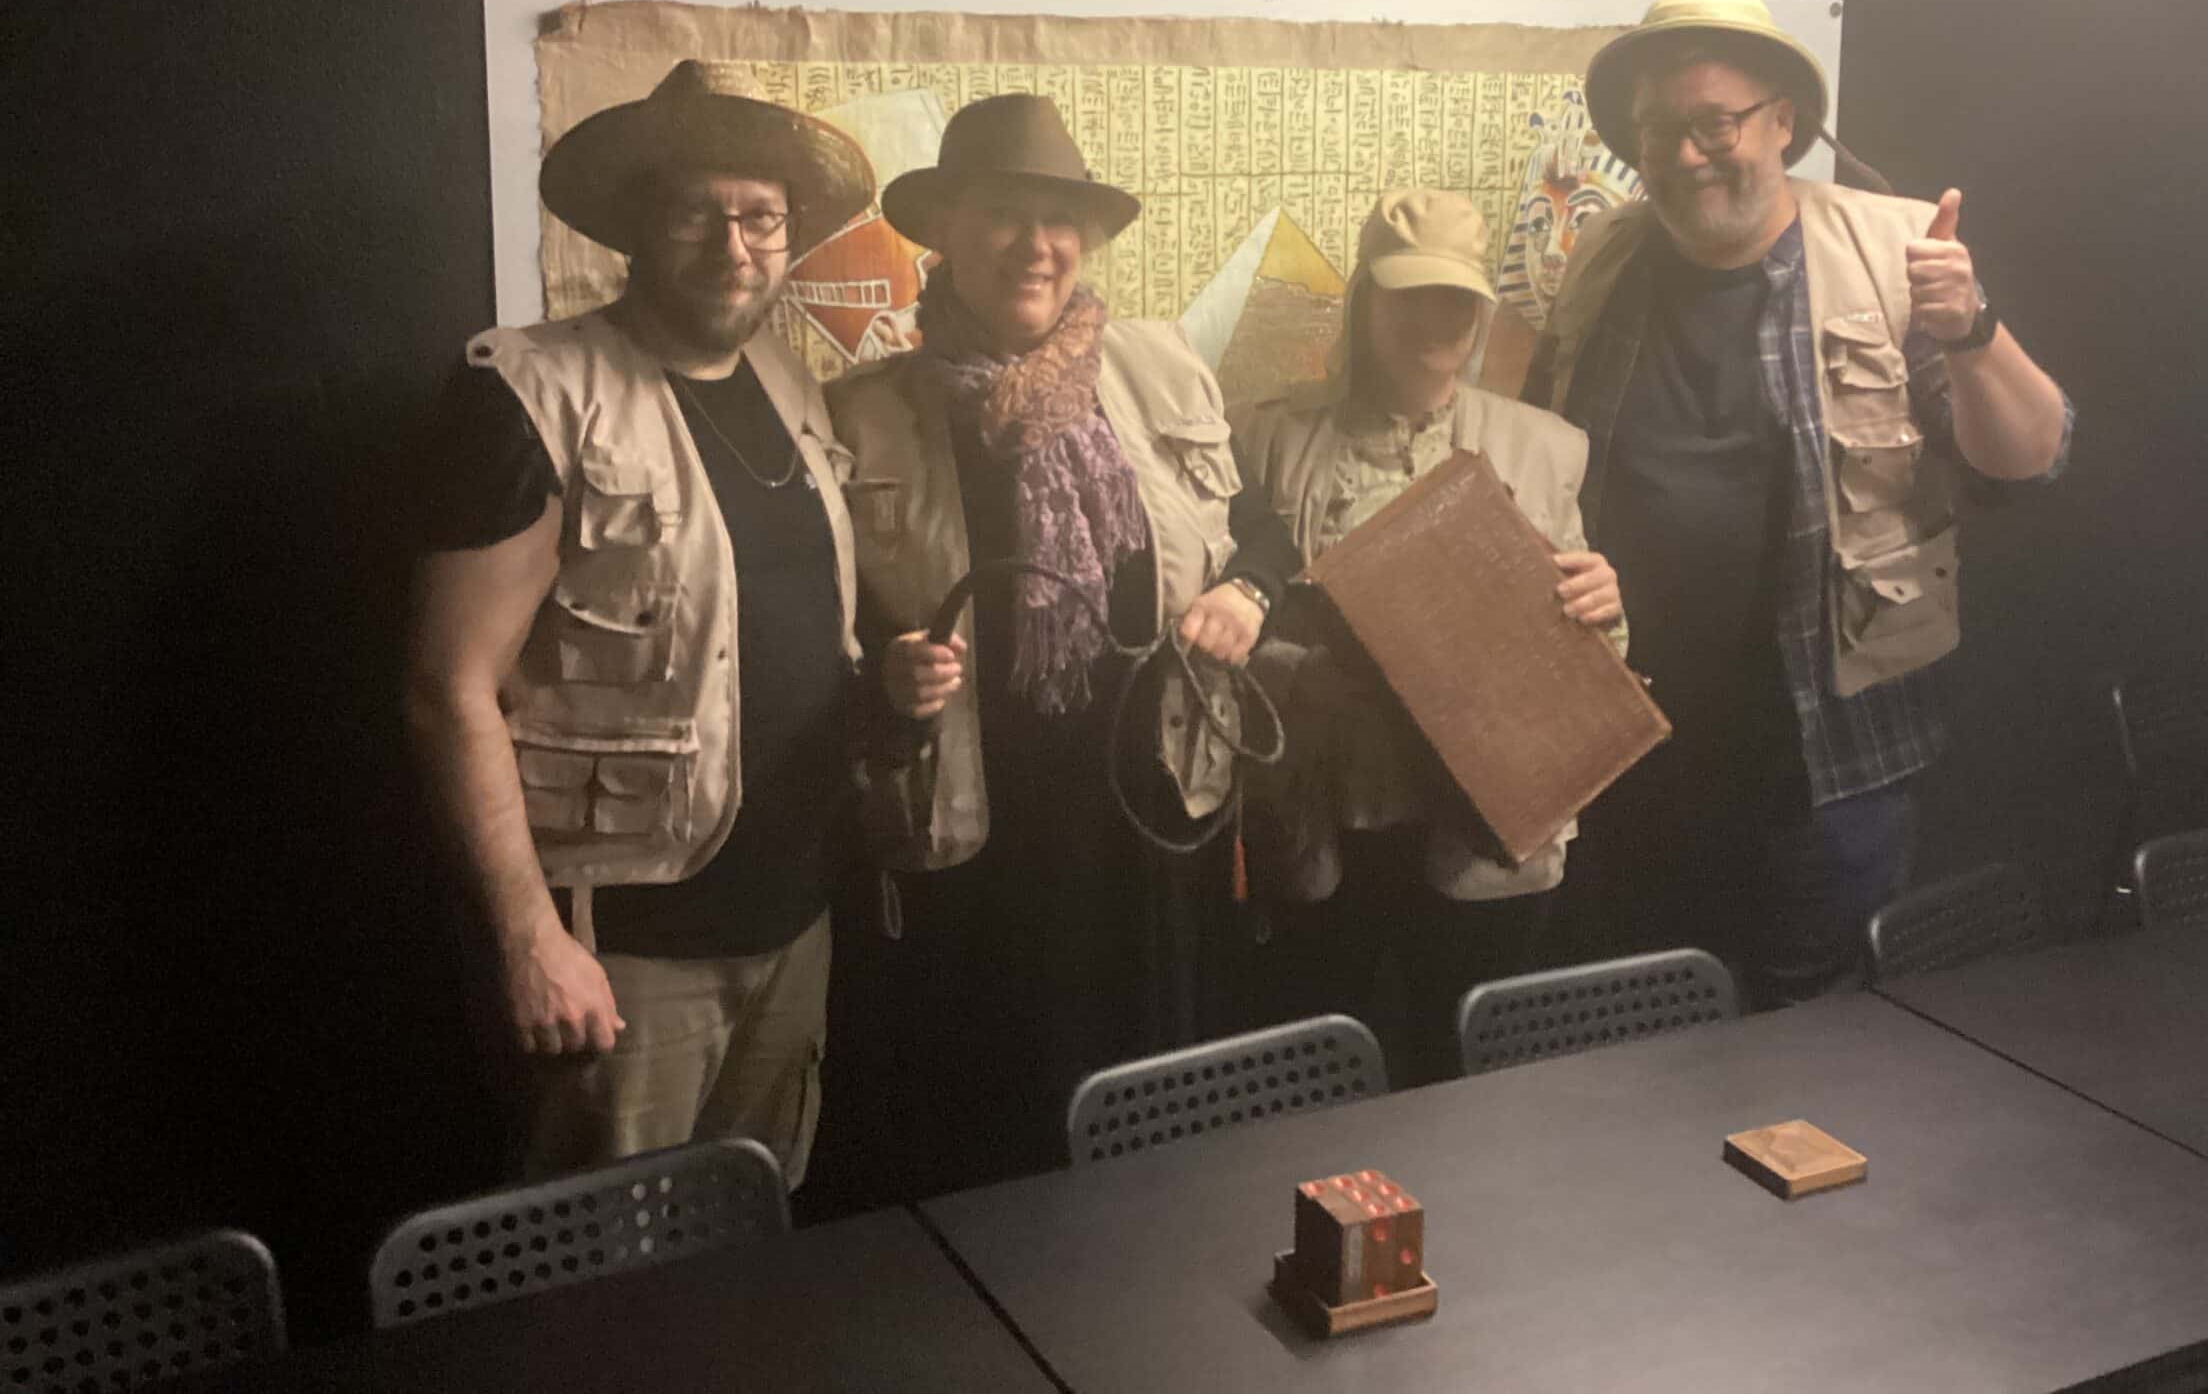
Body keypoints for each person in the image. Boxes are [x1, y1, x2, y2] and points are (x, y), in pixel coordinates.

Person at [1527, 0, 2073, 1004]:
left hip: (1828, 766)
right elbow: (1537, 465)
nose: (1686, 154)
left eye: (1714, 122)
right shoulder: (1602, 262)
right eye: (1657, 131)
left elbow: (2028, 463)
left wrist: (1971, 331)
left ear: (1782, 121)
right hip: (1627, 752)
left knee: (1812, 1041)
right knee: (1636, 1026)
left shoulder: (1892, 253)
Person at [406, 59, 874, 1187]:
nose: (733, 246)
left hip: (792, 922)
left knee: (753, 1231)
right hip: (625, 956)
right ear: (637, 228)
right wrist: (531, 940)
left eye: (760, 216)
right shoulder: (530, 393)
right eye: (694, 213)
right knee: (603, 1263)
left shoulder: (789, 385)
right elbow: (446, 689)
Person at [823, 92, 1300, 1196]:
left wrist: (1250, 592)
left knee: (1151, 1114)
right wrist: (887, 670)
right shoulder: (863, 414)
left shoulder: (1161, 369)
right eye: (1002, 213)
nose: (1034, 246)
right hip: (977, 829)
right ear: (944, 230)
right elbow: (827, 627)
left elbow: (1262, 531)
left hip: (1148, 811)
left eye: (1057, 220)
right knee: (994, 1120)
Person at [1233, 189, 1624, 1083]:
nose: (1435, 319)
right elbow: (1228, 628)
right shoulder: (1267, 438)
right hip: (1328, 813)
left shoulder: (1546, 448)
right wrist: (1311, 670)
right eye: (1408, 294)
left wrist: (1604, 606)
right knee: (1324, 1062)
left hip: (1483, 817)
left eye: (1455, 298)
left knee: (1469, 1066)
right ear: (1364, 299)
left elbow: (1588, 659)